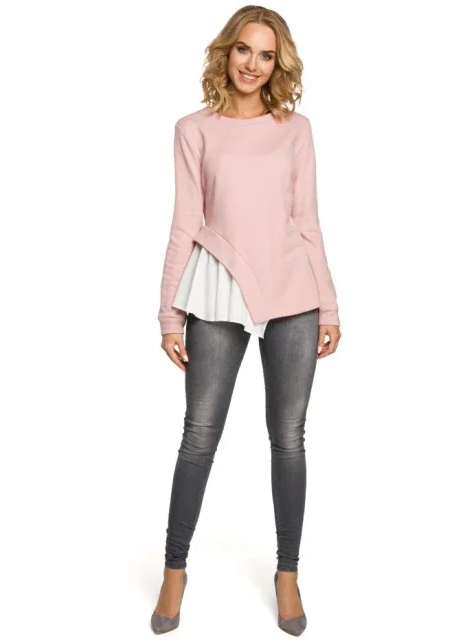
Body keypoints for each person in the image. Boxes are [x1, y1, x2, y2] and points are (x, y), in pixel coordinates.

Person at [152, 6, 341, 636]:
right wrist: (169, 312)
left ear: (277, 64)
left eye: (265, 55)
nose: (252, 65)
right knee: (198, 435)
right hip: (217, 290)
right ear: (225, 51)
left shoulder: (296, 130)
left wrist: (329, 304)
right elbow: (185, 221)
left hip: (293, 293)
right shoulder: (193, 130)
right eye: (243, 50)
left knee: (289, 438)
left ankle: (288, 573)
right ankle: (174, 569)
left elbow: (307, 220)